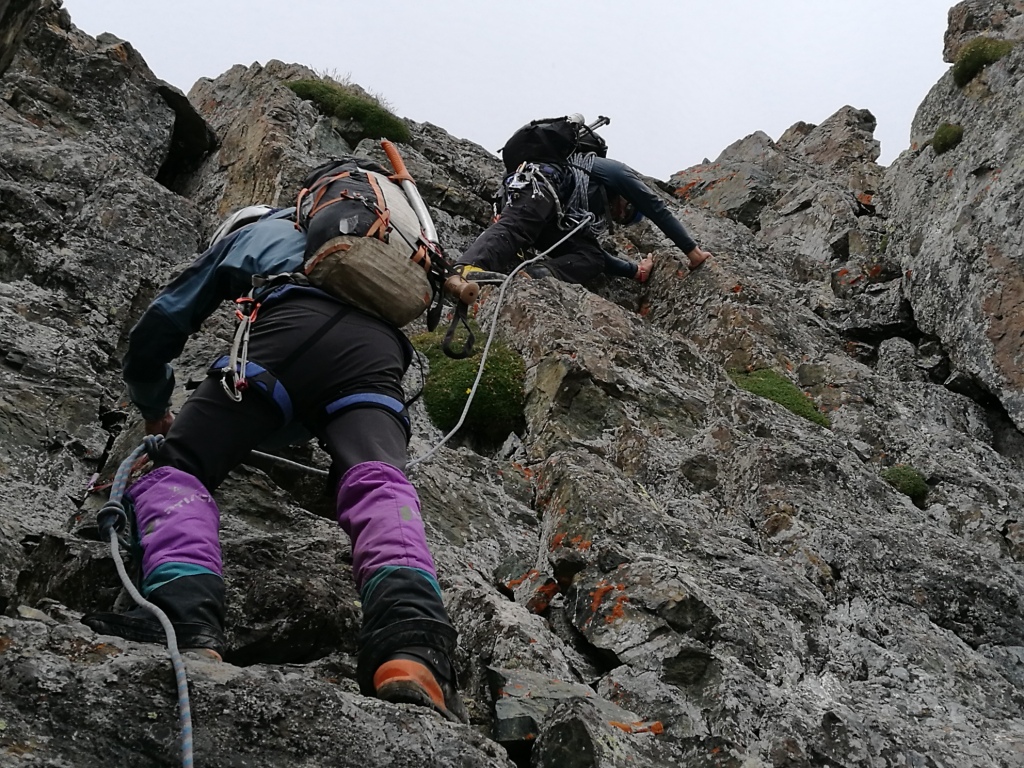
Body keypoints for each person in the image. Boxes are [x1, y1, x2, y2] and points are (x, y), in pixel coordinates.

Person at [82, 187, 468, 722]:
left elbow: (164, 322)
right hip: (377, 353)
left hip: (288, 329)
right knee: (378, 479)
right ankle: (412, 647)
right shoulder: (385, 241)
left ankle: (183, 616)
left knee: (177, 470)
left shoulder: (254, 235)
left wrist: (154, 409)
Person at [456, 143, 712, 285]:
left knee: (590, 257)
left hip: (552, 216)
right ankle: (467, 268)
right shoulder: (614, 172)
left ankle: (536, 275)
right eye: (625, 212)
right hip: (540, 184)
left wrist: (635, 271)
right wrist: (693, 252)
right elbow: (655, 207)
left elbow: (599, 254)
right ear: (626, 200)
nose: (618, 215)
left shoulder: (583, 209)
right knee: (517, 227)